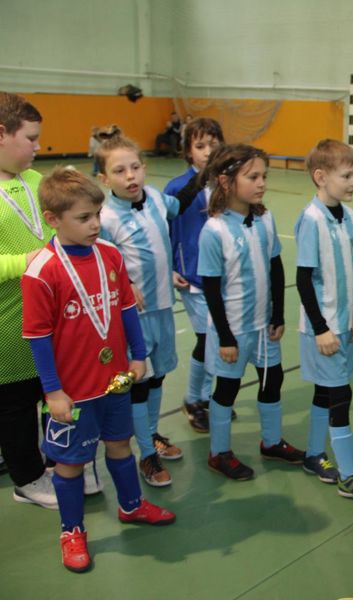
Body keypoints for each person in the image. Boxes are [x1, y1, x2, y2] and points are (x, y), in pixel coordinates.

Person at [22, 168, 176, 573]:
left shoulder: (109, 254)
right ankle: (72, 530)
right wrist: (53, 391)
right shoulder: (42, 270)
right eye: (84, 218)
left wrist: (137, 355)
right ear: (53, 219)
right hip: (71, 392)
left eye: (97, 215)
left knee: (120, 445)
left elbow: (126, 308)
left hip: (114, 381)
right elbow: (38, 337)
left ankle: (131, 505)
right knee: (70, 463)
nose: (95, 225)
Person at [97, 134, 198, 487]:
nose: (130, 176)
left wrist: (204, 169)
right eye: (119, 171)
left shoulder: (155, 197)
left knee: (158, 376)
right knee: (138, 382)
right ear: (104, 179)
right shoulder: (106, 218)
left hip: (163, 306)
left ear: (145, 168)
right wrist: (126, 284)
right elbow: (104, 264)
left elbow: (178, 206)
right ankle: (145, 454)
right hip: (133, 317)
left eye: (135, 167)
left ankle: (151, 434)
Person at [198, 144, 304, 480]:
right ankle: (219, 452)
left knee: (273, 380)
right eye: (253, 177)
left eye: (264, 176)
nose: (261, 183)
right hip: (233, 329)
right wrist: (225, 337)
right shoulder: (214, 230)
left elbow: (276, 267)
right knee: (227, 389)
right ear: (226, 182)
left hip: (263, 326)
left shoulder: (265, 219)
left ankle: (271, 442)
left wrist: (279, 314)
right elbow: (211, 289)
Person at [294, 139, 353, 502]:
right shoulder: (311, 220)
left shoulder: (351, 217)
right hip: (324, 329)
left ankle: (314, 455)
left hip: (344, 324)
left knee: (325, 391)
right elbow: (302, 280)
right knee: (340, 395)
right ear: (321, 177)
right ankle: (349, 476)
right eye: (347, 175)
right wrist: (320, 328)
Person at [0, 92, 57, 510]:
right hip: (7, 328)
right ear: (2, 134)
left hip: (49, 323)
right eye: (31, 138)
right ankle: (28, 479)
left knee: (51, 394)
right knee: (15, 407)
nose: (39, 146)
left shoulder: (36, 181)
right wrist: (26, 261)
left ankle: (56, 462)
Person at [164, 117, 225, 434]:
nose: (207, 151)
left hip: (222, 276)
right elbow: (164, 231)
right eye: (200, 146)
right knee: (207, 338)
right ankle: (193, 399)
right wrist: (171, 268)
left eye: (213, 144)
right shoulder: (177, 188)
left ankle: (206, 396)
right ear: (188, 151)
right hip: (193, 278)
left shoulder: (227, 183)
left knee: (218, 337)